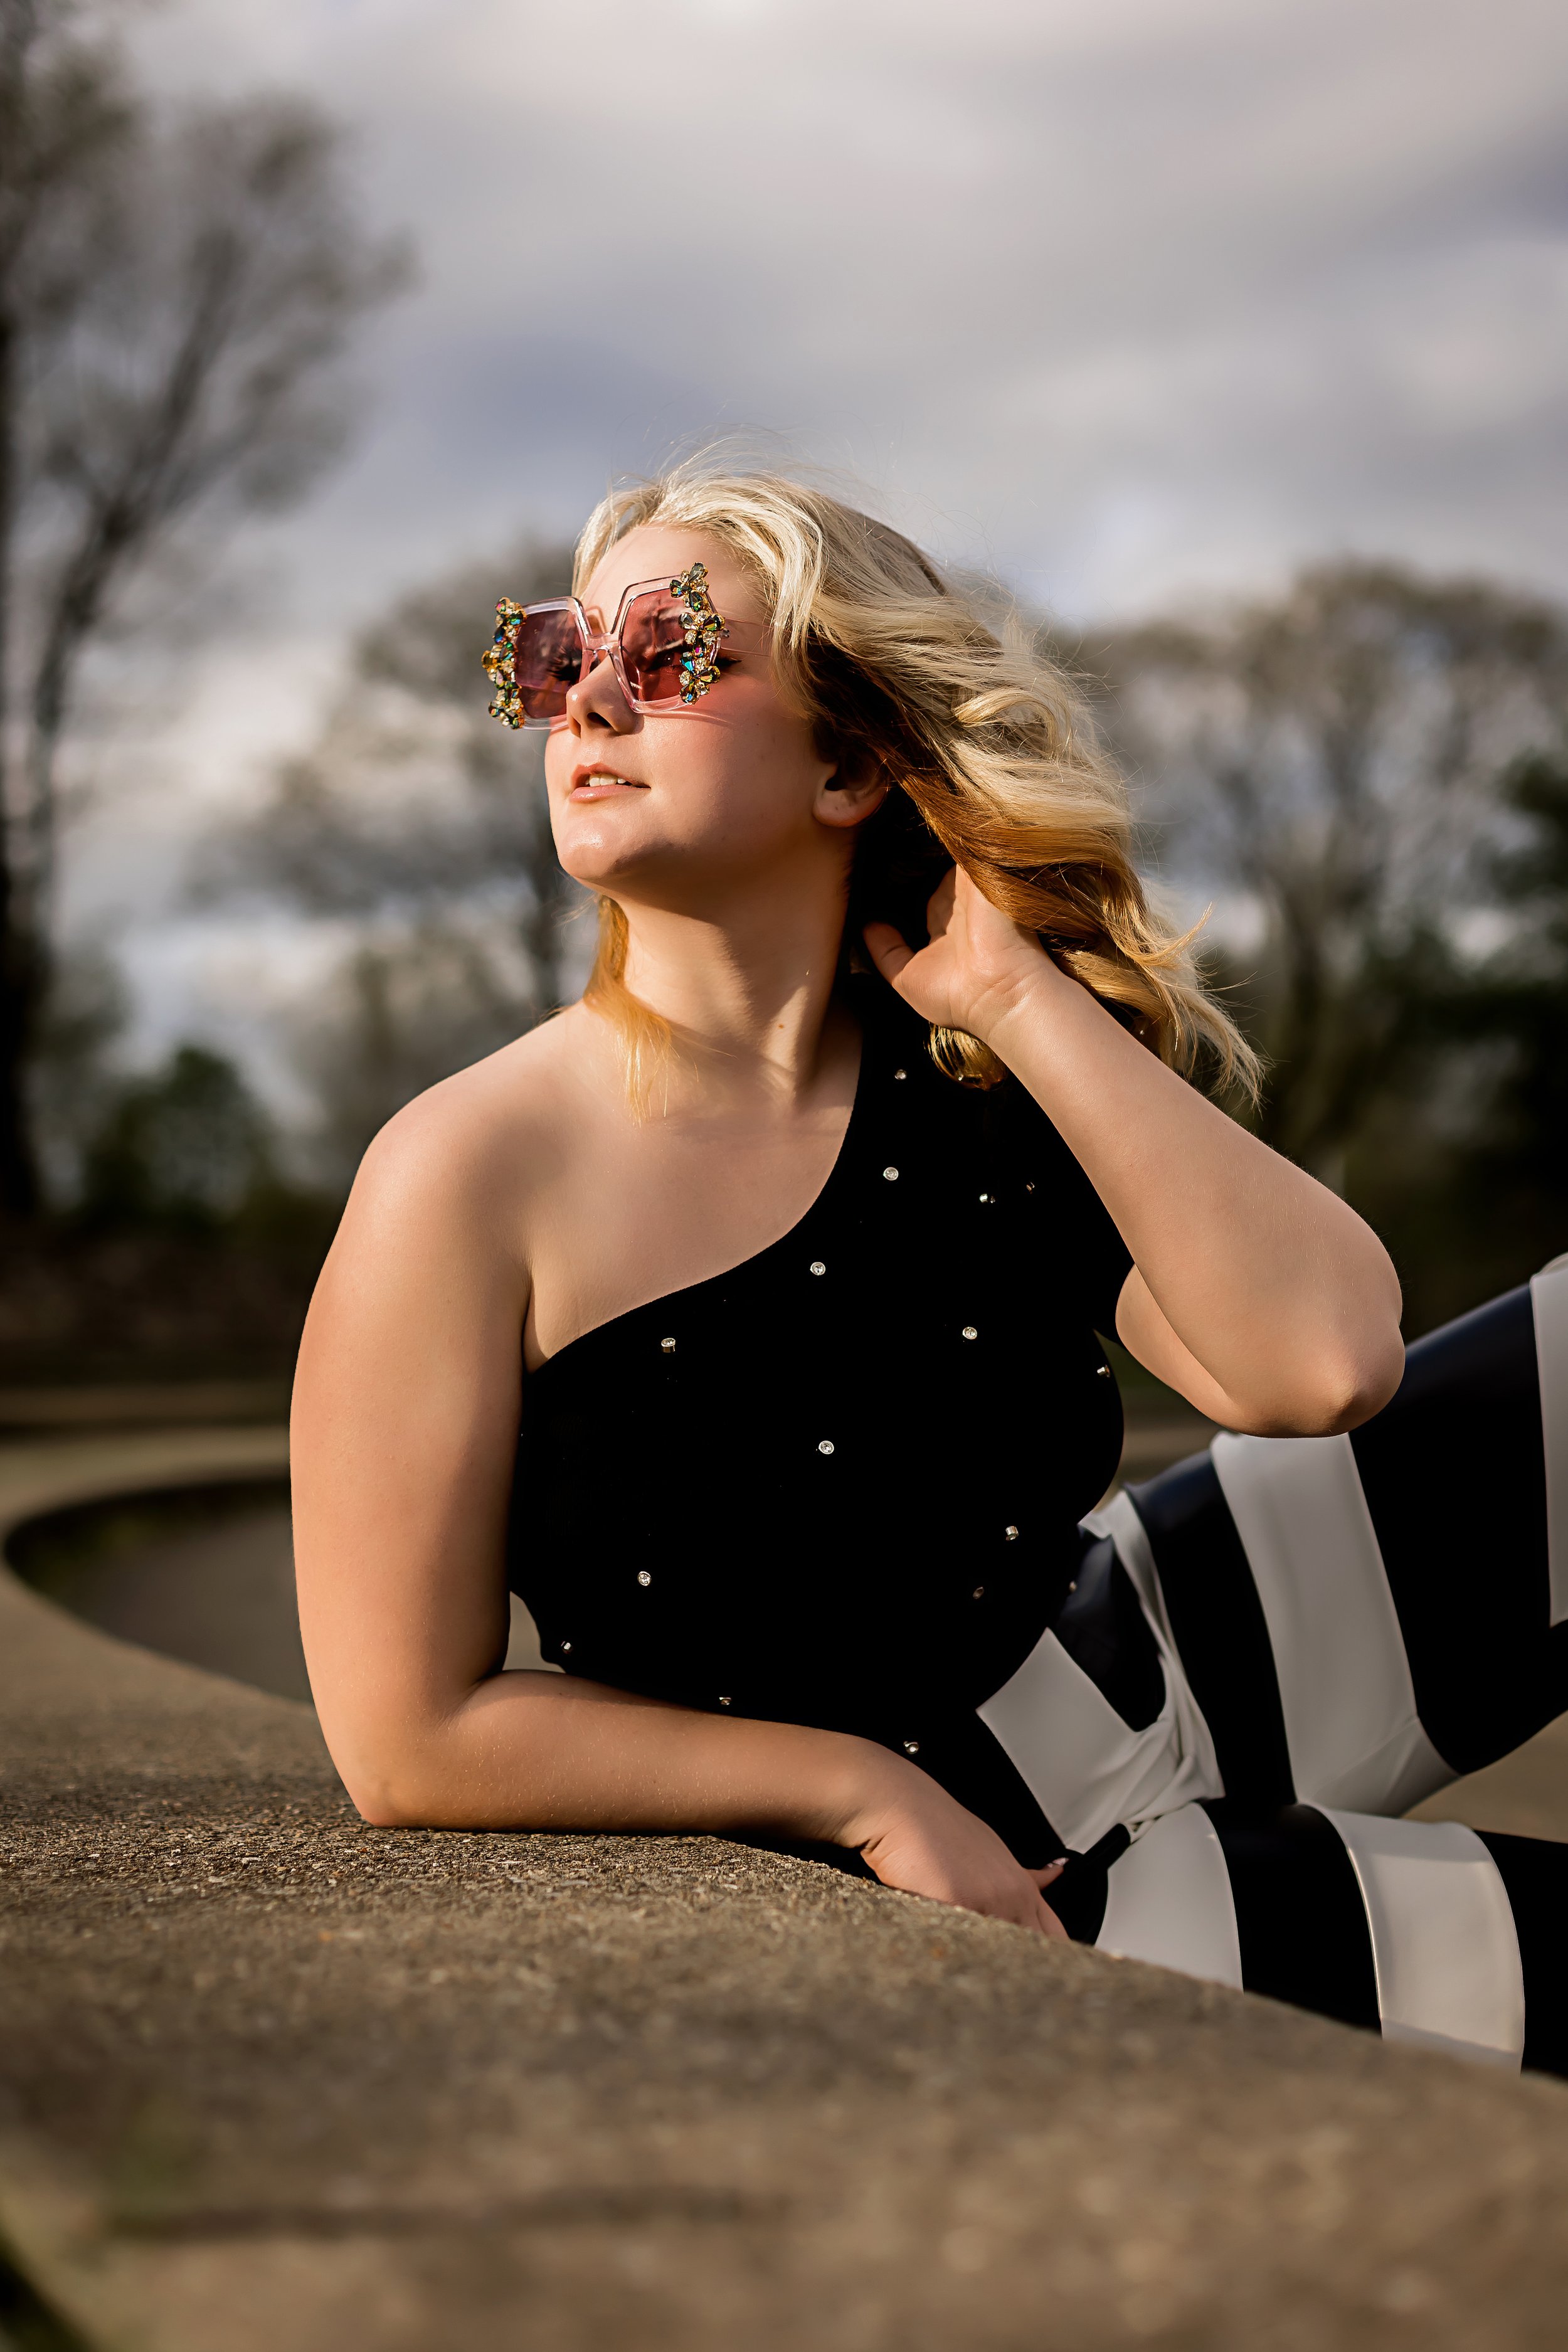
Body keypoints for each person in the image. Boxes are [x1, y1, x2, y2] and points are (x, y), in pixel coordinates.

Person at [292, 466, 1568, 2075]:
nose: (590, 695)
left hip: (1147, 1641)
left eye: (672, 648)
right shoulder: (460, 1173)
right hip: (1002, 1865)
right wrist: (860, 1787)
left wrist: (1025, 1006)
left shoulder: (971, 1072)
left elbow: (1319, 1365)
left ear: (849, 761)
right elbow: (405, 1741)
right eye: (553, 656)